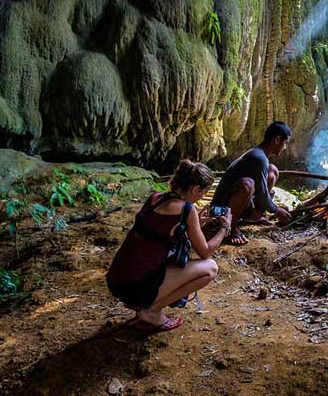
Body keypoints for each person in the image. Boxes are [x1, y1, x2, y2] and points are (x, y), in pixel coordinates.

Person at [106, 160, 230, 333]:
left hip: (117, 281)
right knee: (210, 268)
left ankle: (142, 306)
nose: (201, 197)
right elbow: (206, 252)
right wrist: (225, 228)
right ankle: (152, 311)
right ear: (195, 189)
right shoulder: (186, 210)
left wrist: (196, 225)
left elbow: (160, 235)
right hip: (136, 288)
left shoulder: (154, 199)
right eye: (203, 193)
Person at [209, 121, 293, 244]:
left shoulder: (261, 156)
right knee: (247, 184)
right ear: (277, 140)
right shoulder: (259, 158)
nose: (285, 147)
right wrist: (276, 210)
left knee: (272, 171)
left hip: (236, 206)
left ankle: (255, 216)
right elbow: (262, 195)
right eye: (285, 143)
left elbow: (262, 191)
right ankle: (230, 228)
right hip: (218, 210)